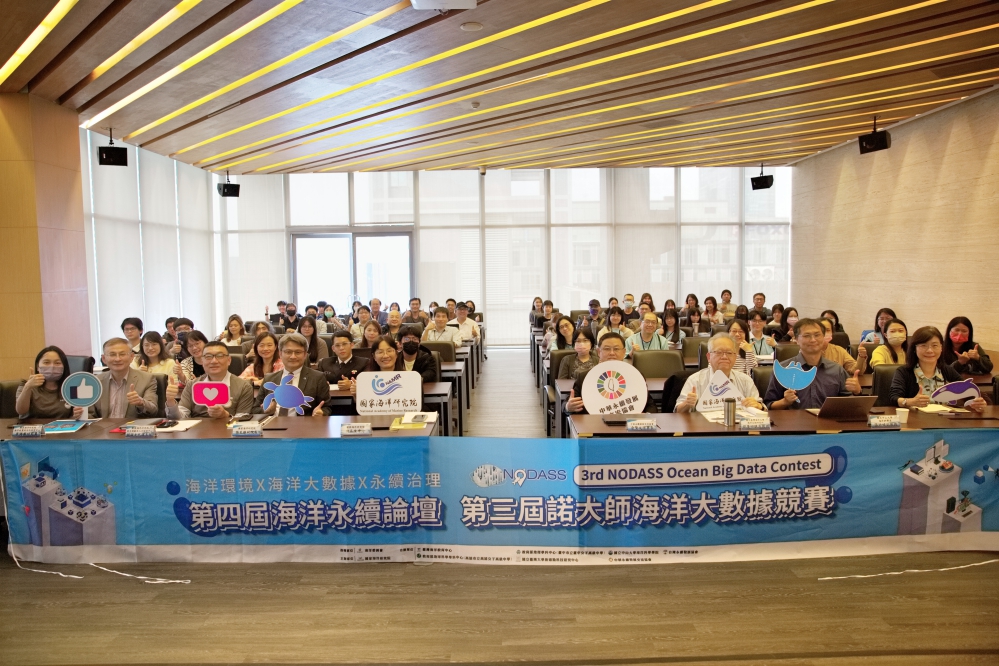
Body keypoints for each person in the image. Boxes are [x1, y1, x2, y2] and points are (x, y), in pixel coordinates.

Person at [765, 318, 861, 410]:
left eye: (817, 335)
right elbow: (768, 406)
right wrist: (785, 402)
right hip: (794, 421)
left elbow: (851, 405)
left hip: (827, 421)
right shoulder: (783, 369)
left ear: (823, 337)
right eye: (807, 336)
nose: (813, 340)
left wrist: (857, 392)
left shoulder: (836, 370)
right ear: (796, 339)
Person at [889, 326, 986, 413]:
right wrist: (910, 401)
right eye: (923, 345)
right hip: (916, 421)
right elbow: (894, 398)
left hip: (945, 421)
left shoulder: (947, 371)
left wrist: (978, 404)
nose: (929, 350)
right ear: (914, 348)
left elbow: (968, 393)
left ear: (941, 348)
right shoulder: (904, 372)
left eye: (935, 345)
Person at [565, 333, 653, 414]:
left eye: (616, 349)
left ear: (624, 352)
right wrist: (568, 407)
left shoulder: (636, 376)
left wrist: (646, 415)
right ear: (599, 352)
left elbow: (651, 406)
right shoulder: (585, 377)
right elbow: (567, 403)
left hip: (628, 423)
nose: (612, 353)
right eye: (607, 349)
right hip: (594, 423)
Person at [675, 334, 764, 413]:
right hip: (703, 425)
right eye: (719, 352)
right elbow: (678, 411)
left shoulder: (745, 380)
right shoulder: (695, 380)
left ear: (735, 357)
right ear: (709, 357)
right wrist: (687, 404)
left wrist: (758, 406)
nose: (724, 357)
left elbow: (761, 407)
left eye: (729, 353)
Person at [165, 341, 254, 420]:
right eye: (208, 357)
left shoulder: (244, 387)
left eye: (220, 356)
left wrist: (226, 415)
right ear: (202, 361)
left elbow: (243, 420)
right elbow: (180, 418)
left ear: (229, 360)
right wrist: (170, 401)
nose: (214, 361)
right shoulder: (192, 385)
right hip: (197, 431)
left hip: (228, 432)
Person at [253, 333, 331, 417]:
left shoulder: (317, 378)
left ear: (305, 354)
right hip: (273, 422)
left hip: (302, 424)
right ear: (280, 354)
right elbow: (255, 409)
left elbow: (326, 407)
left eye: (298, 352)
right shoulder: (269, 379)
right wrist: (266, 411)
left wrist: (321, 413)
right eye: (288, 352)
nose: (293, 356)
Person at [92, 338, 158, 419]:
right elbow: (89, 414)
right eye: (112, 355)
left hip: (131, 426)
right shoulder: (96, 381)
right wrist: (80, 414)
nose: (117, 359)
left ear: (131, 357)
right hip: (103, 426)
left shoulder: (146, 379)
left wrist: (141, 402)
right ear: (104, 359)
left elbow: (153, 411)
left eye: (122, 354)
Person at [15, 346, 83, 419]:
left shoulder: (71, 387)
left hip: (63, 426)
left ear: (64, 367)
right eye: (46, 362)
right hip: (32, 426)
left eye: (57, 363)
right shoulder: (26, 385)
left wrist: (77, 415)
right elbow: (21, 411)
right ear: (38, 366)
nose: (52, 366)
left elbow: (84, 414)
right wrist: (28, 387)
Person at [317, 330, 369, 414]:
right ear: (333, 348)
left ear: (352, 345)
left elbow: (367, 384)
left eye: (345, 344)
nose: (341, 348)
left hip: (354, 405)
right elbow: (317, 382)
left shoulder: (364, 362)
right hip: (329, 404)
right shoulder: (324, 363)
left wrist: (351, 384)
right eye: (337, 345)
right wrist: (323, 384)